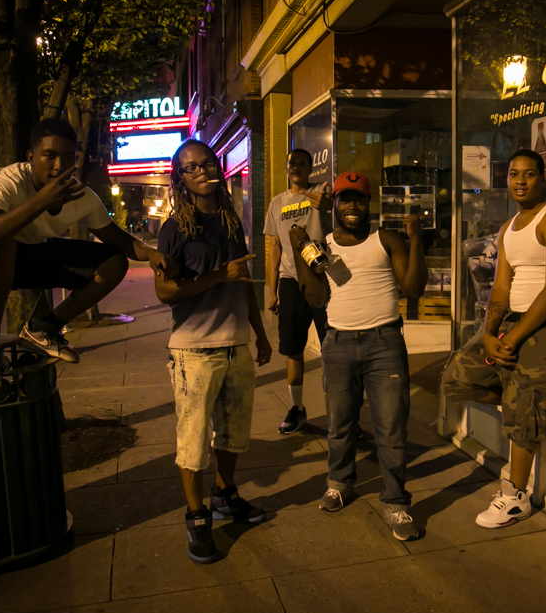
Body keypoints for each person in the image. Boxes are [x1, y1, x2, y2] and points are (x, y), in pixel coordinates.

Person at [0, 118, 176, 389]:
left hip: (21, 257)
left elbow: (119, 240)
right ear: (31, 157)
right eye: (49, 156)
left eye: (68, 157)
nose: (59, 166)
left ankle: (44, 328)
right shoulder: (7, 181)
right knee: (1, 244)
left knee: (113, 262)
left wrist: (151, 254)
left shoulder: (80, 196)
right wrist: (40, 202)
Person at [442, 148, 546, 529]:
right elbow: (501, 287)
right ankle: (527, 404)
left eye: (529, 174)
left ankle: (516, 496)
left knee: (523, 411)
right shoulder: (509, 228)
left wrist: (514, 337)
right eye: (514, 174)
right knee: (456, 377)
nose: (520, 181)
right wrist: (489, 334)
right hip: (512, 323)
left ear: (542, 178)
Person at [288, 171, 427, 541]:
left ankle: (396, 502)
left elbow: (413, 288)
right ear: (334, 204)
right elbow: (316, 298)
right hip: (338, 343)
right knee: (340, 424)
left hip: (385, 344)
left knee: (392, 428)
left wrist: (416, 240)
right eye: (345, 199)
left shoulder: (386, 239)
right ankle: (339, 482)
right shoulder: (322, 246)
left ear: (369, 204)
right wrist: (301, 251)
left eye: (359, 199)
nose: (352, 206)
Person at [155, 139, 273, 564]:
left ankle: (225, 495)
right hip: (194, 350)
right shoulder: (174, 228)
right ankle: (196, 517)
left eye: (208, 164)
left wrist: (259, 332)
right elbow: (165, 291)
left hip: (235, 343)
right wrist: (220, 274)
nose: (203, 171)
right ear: (180, 179)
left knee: (233, 433)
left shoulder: (229, 219)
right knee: (192, 441)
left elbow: (243, 280)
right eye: (192, 168)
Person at [263, 149, 333, 434]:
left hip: (323, 278)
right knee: (292, 348)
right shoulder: (277, 202)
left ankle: (338, 410)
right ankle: (296, 408)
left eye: (303, 163)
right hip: (291, 280)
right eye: (292, 162)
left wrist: (327, 205)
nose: (296, 167)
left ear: (310, 168)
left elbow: (332, 211)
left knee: (333, 348)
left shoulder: (320, 194)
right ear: (286, 167)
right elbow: (274, 248)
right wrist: (273, 291)